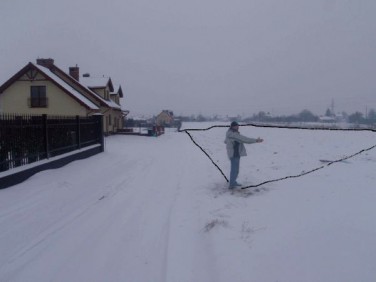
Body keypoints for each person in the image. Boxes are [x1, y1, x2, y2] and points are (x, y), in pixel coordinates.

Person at [224, 121, 263, 189]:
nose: (238, 127)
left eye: (238, 126)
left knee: (236, 170)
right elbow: (245, 139)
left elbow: (225, 141)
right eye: (236, 126)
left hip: (236, 153)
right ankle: (232, 184)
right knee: (234, 170)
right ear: (232, 127)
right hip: (234, 154)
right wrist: (256, 140)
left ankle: (233, 182)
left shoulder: (231, 133)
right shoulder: (233, 134)